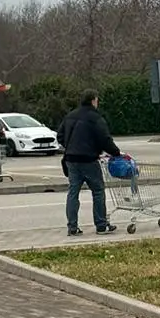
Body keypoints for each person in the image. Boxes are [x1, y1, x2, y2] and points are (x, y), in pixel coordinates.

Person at [56, 90, 121, 237]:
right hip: (89, 160)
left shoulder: (70, 115)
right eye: (97, 100)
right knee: (98, 191)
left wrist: (70, 146)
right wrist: (116, 153)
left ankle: (72, 227)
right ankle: (101, 225)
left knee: (73, 192)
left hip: (71, 160)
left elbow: (59, 135)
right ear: (93, 101)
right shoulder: (95, 118)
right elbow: (105, 139)